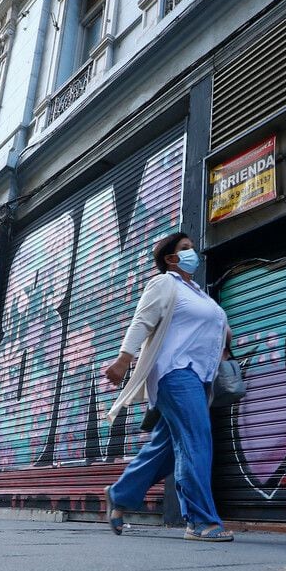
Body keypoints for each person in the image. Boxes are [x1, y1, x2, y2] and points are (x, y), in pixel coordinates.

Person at [102, 232, 234, 542]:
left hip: (199, 377)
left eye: (192, 248)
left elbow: (215, 327)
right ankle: (200, 521)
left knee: (165, 450)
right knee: (195, 441)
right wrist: (124, 360)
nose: (193, 253)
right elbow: (142, 321)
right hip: (175, 372)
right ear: (170, 259)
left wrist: (223, 342)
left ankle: (120, 495)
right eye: (185, 249)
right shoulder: (165, 284)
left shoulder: (198, 292)